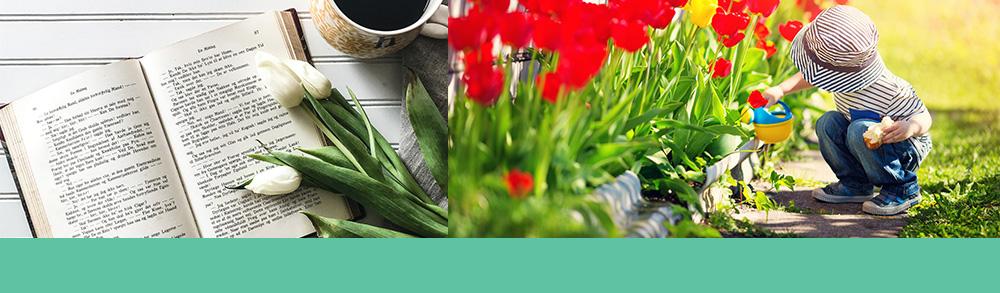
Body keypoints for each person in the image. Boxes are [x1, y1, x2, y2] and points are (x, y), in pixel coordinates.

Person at [762, 5, 932, 215]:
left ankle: (903, 188)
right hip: (862, 143)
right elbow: (812, 76)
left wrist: (910, 127)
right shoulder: (842, 71)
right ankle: (855, 184)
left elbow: (924, 116)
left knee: (858, 129)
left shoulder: (890, 89)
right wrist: (780, 89)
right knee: (827, 123)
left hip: (903, 148)